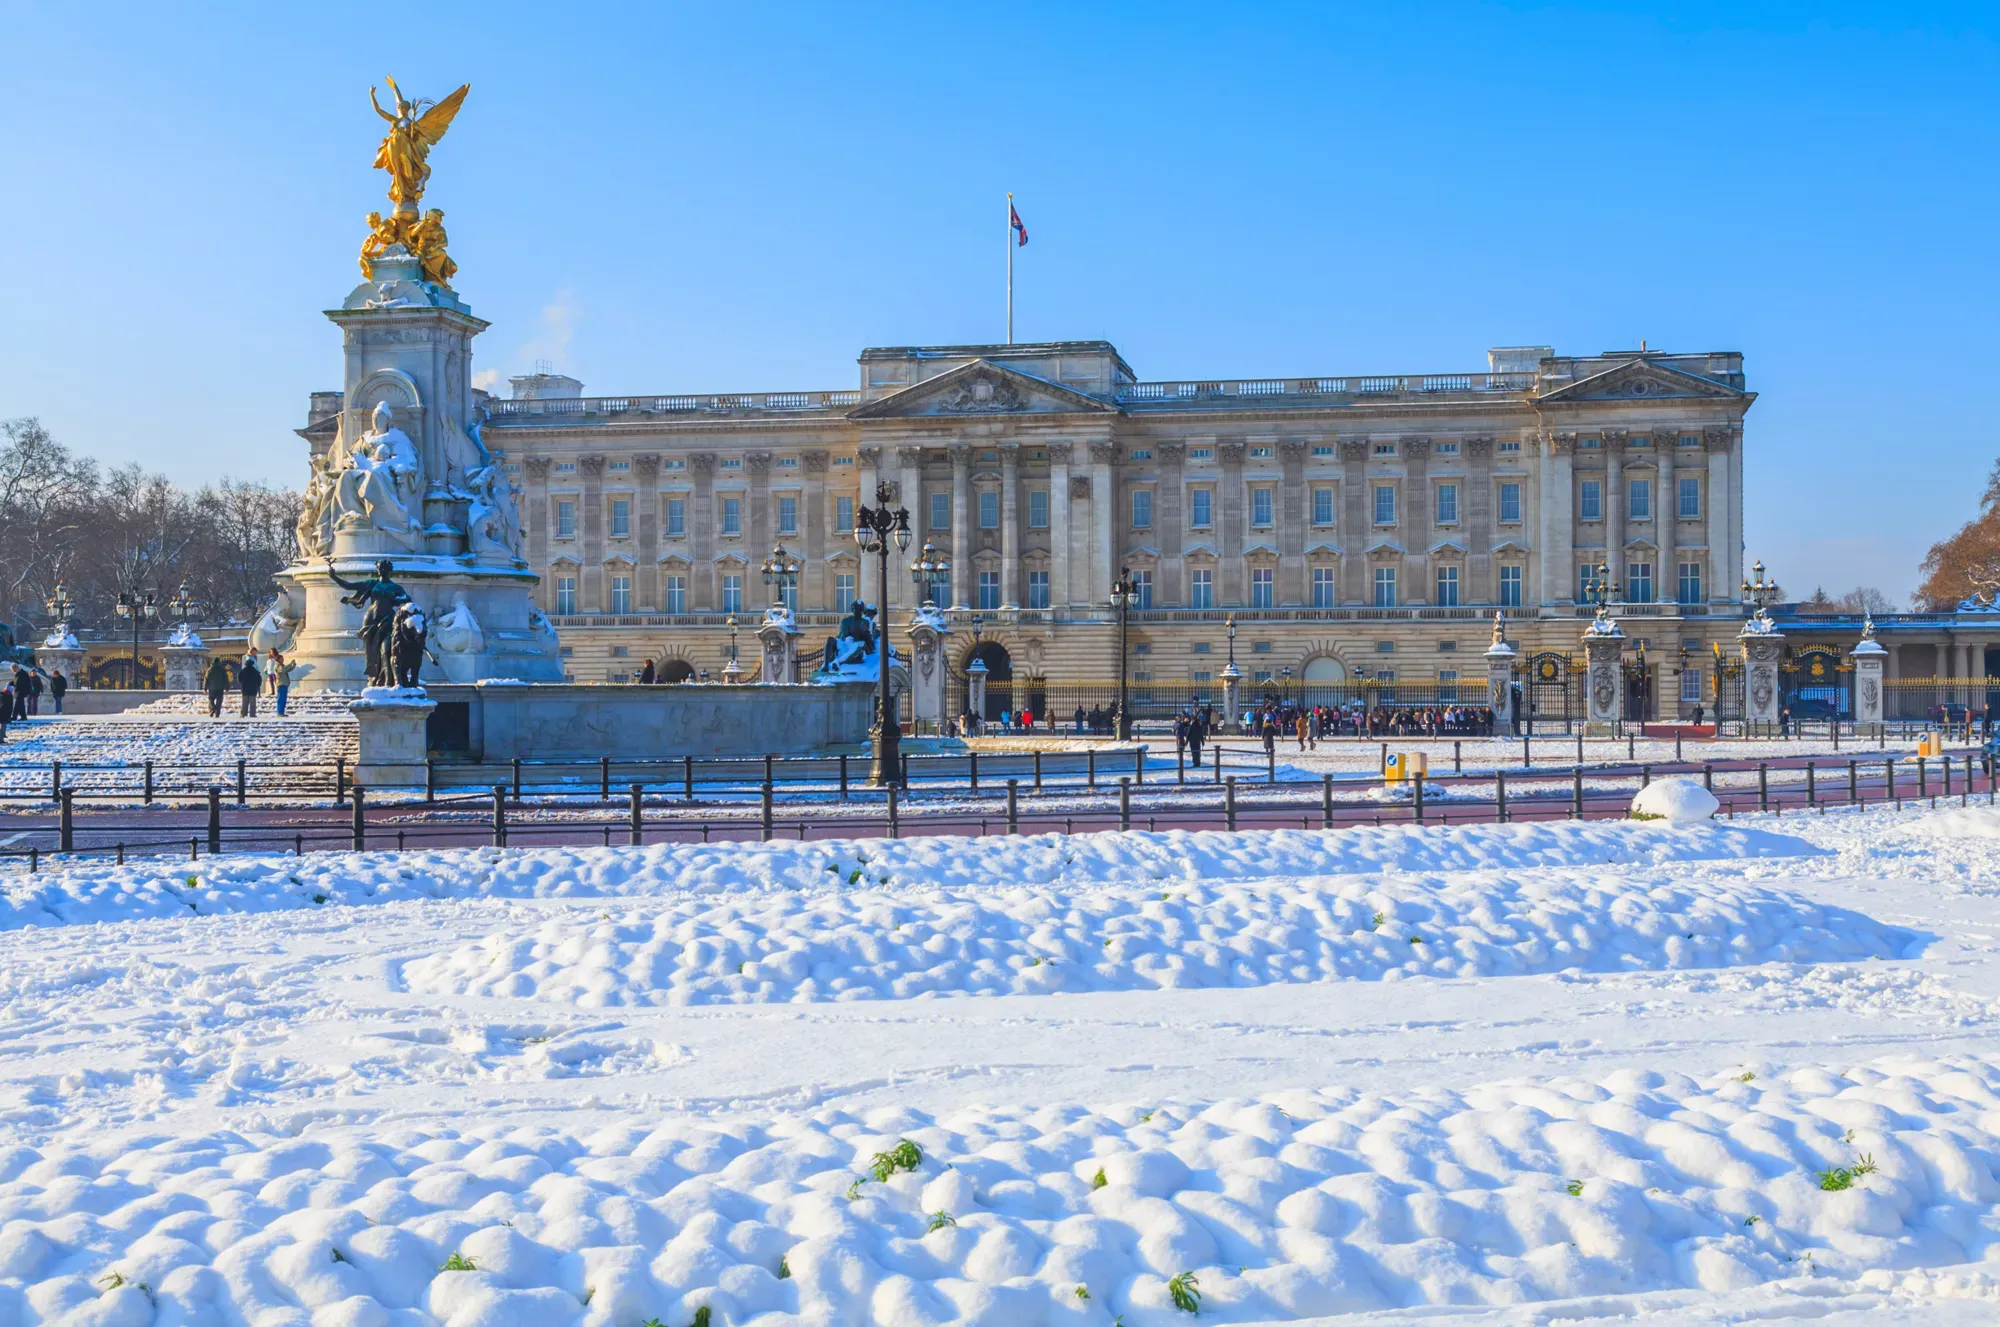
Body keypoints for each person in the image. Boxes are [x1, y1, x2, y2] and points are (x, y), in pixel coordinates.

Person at [268, 649, 295, 716]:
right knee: (281, 700)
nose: (283, 660)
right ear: (278, 659)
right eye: (282, 659)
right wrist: (290, 664)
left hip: (284, 684)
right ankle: (279, 712)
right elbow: (283, 670)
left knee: (283, 700)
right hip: (281, 684)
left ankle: (282, 712)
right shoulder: (277, 665)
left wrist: (293, 665)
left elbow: (287, 669)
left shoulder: (282, 665)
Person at [239, 652, 263, 718]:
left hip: (245, 689)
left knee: (244, 703)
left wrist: (242, 683)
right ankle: (252, 714)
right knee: (252, 703)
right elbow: (259, 680)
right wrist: (258, 685)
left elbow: (239, 678)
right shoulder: (255, 671)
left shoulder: (243, 671)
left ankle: (243, 713)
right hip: (253, 689)